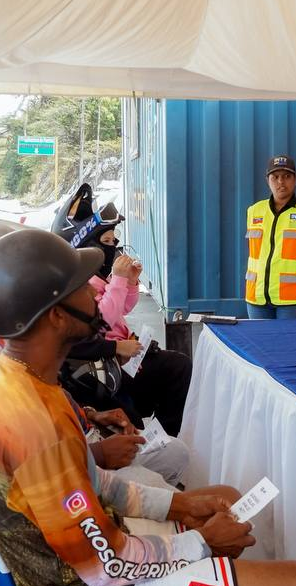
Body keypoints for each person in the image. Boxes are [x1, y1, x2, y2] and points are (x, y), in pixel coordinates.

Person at [0, 227, 296, 586]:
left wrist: (180, 510)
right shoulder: (31, 422)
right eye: (84, 285)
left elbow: (92, 481)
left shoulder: (13, 378)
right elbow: (107, 566)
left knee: (220, 502)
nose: (95, 290)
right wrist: (199, 541)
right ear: (56, 315)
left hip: (84, 574)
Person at [0, 222, 190, 488]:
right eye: (74, 288)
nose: (92, 292)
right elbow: (31, 477)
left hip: (74, 453)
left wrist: (89, 415)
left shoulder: (7, 342)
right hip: (62, 487)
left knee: (174, 453)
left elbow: (49, 408)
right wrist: (97, 455)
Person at [54, 184, 193, 436]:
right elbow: (102, 319)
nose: (113, 246)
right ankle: (155, 438)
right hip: (104, 365)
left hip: (125, 354)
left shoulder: (97, 278)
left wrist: (129, 282)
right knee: (173, 370)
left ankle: (164, 437)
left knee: (179, 366)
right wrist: (118, 280)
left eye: (114, 239)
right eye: (106, 241)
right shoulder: (78, 286)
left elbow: (122, 308)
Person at [244, 155, 296, 319]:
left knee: (293, 345)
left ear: (295, 180)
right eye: (275, 177)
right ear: (267, 180)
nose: (280, 182)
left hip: (294, 303)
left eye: (287, 176)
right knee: (260, 345)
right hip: (257, 298)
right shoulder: (254, 211)